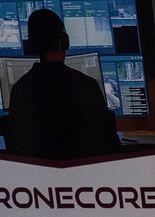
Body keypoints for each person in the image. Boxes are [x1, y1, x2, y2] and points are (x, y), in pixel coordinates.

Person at [4, 9, 119, 161]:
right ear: (64, 42)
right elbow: (109, 145)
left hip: (38, 181)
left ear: (31, 45)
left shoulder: (20, 89)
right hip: (85, 179)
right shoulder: (87, 86)